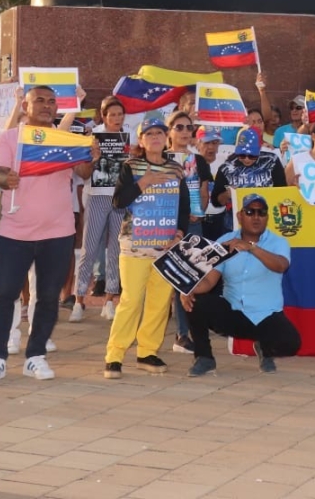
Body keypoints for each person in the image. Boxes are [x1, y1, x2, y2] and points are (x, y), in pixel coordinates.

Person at [0, 87, 98, 385]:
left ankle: (35, 357)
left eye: (51, 102)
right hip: (14, 232)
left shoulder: (67, 139)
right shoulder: (9, 137)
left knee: (48, 297)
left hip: (58, 232)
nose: (46, 106)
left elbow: (83, 173)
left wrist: (91, 155)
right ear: (25, 105)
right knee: (4, 294)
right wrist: (4, 179)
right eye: (40, 101)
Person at [104, 118, 190, 378]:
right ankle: (115, 355)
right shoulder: (130, 167)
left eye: (159, 133)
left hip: (165, 245)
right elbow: (119, 201)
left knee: (160, 301)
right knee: (130, 300)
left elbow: (184, 206)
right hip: (135, 245)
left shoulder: (176, 169)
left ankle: (147, 352)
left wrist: (179, 233)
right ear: (140, 140)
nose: (155, 137)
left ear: (166, 138)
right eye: (149, 133)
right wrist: (144, 182)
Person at [182, 193, 301, 375]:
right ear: (239, 216)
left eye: (261, 212)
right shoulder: (225, 241)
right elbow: (209, 281)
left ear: (267, 217)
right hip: (234, 311)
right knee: (195, 302)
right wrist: (187, 289)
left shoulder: (279, 242)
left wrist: (252, 248)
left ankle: (264, 348)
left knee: (291, 344)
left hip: (265, 314)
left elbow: (281, 266)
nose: (256, 217)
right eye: (250, 211)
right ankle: (204, 358)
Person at [73, 96, 129, 323]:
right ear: (103, 117)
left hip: (119, 199)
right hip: (96, 197)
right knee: (89, 248)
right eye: (112, 115)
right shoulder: (92, 136)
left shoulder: (130, 136)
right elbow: (83, 173)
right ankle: (79, 300)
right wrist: (94, 158)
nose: (116, 119)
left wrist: (133, 157)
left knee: (116, 250)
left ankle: (109, 300)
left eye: (119, 114)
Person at [166, 110, 212, 355]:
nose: (184, 132)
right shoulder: (160, 158)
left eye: (188, 128)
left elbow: (204, 191)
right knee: (162, 280)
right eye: (179, 127)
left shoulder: (199, 161)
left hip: (192, 223)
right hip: (163, 223)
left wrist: (199, 210)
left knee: (189, 280)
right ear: (169, 131)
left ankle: (183, 334)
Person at [207, 128, 286, 241]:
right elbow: (216, 201)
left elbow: (282, 190)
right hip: (235, 226)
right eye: (242, 155)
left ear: (259, 150)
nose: (247, 159)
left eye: (252, 156)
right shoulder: (227, 167)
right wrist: (227, 194)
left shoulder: (271, 161)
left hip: (268, 224)